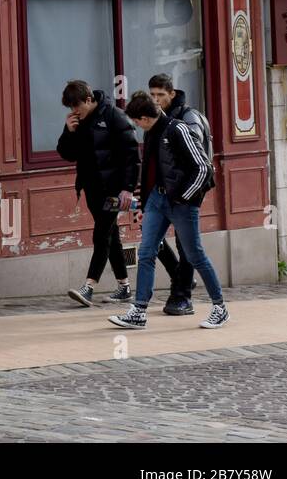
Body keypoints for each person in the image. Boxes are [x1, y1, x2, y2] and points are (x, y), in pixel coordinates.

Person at [110, 92, 227, 330]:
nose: (135, 125)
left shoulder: (178, 129)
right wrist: (146, 201)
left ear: (144, 117)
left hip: (181, 203)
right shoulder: (150, 131)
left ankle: (220, 307)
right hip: (157, 200)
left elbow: (204, 168)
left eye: (136, 121)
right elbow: (152, 169)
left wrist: (184, 198)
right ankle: (139, 310)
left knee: (195, 256)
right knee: (146, 252)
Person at [56, 81, 139, 307]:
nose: (74, 111)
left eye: (77, 106)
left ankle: (89, 286)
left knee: (101, 235)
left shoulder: (114, 116)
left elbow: (132, 156)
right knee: (111, 237)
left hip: (113, 190)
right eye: (70, 108)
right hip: (91, 188)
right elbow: (67, 154)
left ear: (89, 99)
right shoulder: (76, 122)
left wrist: (128, 188)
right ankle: (124, 287)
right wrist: (69, 132)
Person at [144, 74, 213, 315]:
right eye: (152, 95)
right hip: (159, 193)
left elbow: (199, 161)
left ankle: (182, 296)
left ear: (172, 94)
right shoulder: (153, 119)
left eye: (160, 95)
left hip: (185, 191)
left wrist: (186, 195)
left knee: (187, 246)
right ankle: (180, 280)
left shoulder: (188, 117)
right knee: (152, 242)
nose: (155, 100)